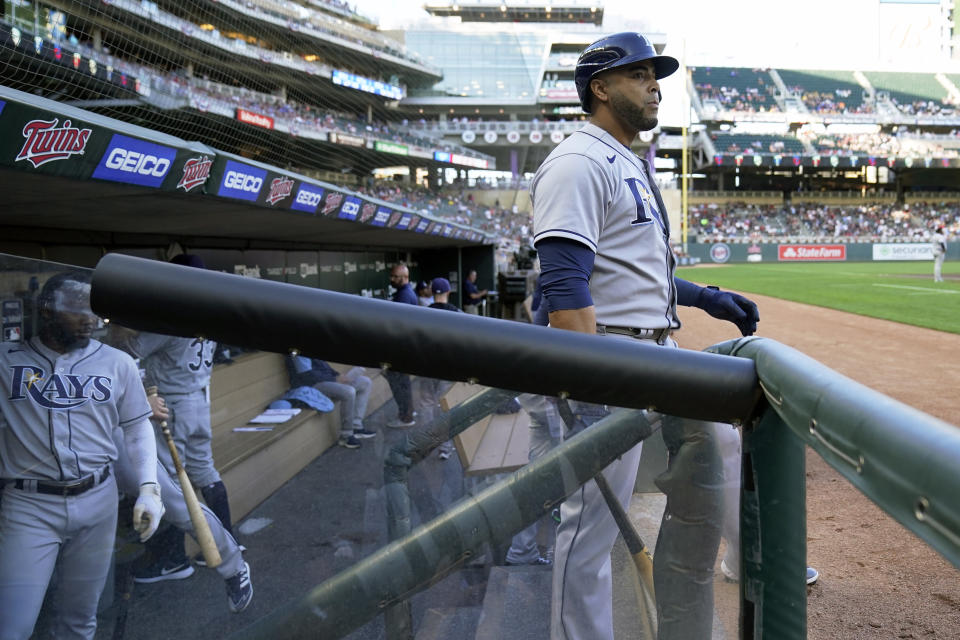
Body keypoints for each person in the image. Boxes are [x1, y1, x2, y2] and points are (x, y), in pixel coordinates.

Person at [531, 32, 762, 640]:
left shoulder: (624, 158)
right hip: (610, 353)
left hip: (658, 348)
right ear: (600, 88)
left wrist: (708, 299)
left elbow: (636, 272)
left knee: (724, 446)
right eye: (638, 75)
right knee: (589, 527)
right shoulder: (578, 161)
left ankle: (742, 560)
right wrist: (588, 381)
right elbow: (563, 281)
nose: (654, 84)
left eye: (654, 75)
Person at [0, 271, 164, 639]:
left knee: (80, 620)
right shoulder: (5, 360)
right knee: (12, 625)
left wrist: (149, 489)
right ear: (46, 310)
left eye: (95, 309)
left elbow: (137, 429)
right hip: (29, 505)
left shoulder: (117, 363)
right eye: (77, 308)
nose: (90, 318)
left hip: (98, 498)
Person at [114, 254, 235, 583]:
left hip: (172, 406)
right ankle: (231, 545)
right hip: (198, 401)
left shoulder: (174, 316)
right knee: (205, 473)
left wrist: (118, 326)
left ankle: (172, 561)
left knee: (164, 481)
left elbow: (131, 349)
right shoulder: (208, 312)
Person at [112, 393, 253, 612]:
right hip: (194, 399)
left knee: (175, 498)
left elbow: (133, 362)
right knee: (200, 474)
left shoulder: (111, 360)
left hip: (162, 411)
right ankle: (176, 560)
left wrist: (137, 403)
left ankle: (227, 566)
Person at [286, 356, 375, 449]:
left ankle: (356, 426)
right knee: (349, 391)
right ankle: (346, 436)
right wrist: (334, 379)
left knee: (365, 382)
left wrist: (339, 376)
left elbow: (324, 367)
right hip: (310, 386)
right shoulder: (298, 353)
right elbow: (306, 376)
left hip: (325, 380)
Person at [385, 263, 417, 428]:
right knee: (402, 382)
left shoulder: (404, 295)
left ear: (404, 277)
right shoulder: (405, 293)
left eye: (395, 276)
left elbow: (399, 324)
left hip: (401, 348)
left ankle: (406, 417)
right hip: (406, 347)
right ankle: (408, 411)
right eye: (392, 276)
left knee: (399, 383)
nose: (392, 279)